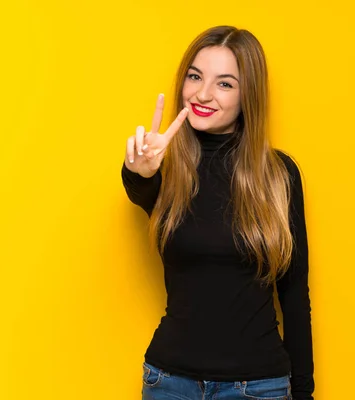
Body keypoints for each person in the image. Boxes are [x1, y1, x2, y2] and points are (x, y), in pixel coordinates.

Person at [121, 25, 314, 400]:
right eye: (195, 77)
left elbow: (294, 293)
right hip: (169, 383)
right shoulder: (166, 168)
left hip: (258, 387)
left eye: (225, 83)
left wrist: (304, 394)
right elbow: (139, 187)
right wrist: (140, 170)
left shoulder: (278, 175)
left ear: (248, 96)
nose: (203, 94)